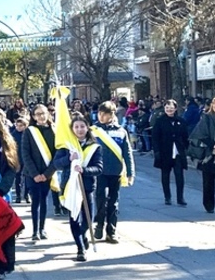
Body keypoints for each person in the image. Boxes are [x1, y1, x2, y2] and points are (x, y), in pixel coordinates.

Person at [53, 113, 104, 262]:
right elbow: (56, 164)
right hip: (70, 186)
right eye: (76, 127)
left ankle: (82, 235)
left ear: (87, 128)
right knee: (74, 216)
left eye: (82, 126)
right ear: (72, 129)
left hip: (87, 186)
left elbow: (99, 168)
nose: (80, 129)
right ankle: (80, 248)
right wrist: (68, 159)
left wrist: (84, 170)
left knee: (89, 218)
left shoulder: (95, 147)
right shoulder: (67, 146)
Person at [92, 101, 135, 243]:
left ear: (112, 115)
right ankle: (99, 223)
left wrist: (130, 172)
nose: (101, 116)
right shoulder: (93, 131)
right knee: (100, 199)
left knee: (113, 201)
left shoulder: (121, 131)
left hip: (115, 171)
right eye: (100, 113)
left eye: (104, 114)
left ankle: (111, 231)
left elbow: (127, 153)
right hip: (99, 171)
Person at [21, 104, 57, 242]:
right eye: (38, 114)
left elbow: (57, 154)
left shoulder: (54, 131)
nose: (41, 116)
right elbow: (25, 153)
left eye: (43, 113)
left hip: (47, 173)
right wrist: (35, 174)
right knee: (35, 200)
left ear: (48, 114)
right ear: (34, 116)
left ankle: (42, 228)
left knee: (44, 200)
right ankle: (35, 230)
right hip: (32, 174)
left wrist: (47, 173)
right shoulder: (29, 131)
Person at [152, 99, 189, 206]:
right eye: (167, 108)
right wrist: (157, 151)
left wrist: (186, 149)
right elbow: (155, 137)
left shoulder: (181, 121)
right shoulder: (160, 121)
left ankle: (180, 197)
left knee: (179, 176)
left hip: (178, 152)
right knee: (165, 175)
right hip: (164, 152)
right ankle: (167, 197)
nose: (169, 110)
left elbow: (185, 136)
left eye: (171, 108)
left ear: (175, 108)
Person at [10, 115, 31, 204]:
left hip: (26, 159)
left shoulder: (28, 134)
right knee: (17, 178)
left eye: (21, 126)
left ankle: (26, 195)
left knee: (27, 178)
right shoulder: (13, 135)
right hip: (17, 159)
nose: (19, 127)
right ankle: (18, 195)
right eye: (17, 125)